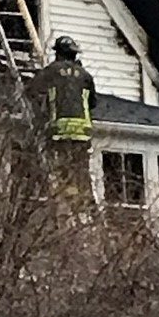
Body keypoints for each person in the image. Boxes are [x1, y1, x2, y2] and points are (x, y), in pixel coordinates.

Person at [33, 35, 97, 203]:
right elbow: (92, 104)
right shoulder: (86, 76)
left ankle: (66, 198)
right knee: (81, 172)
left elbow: (31, 91)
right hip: (82, 133)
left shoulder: (51, 72)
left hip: (59, 130)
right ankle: (85, 202)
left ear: (58, 53)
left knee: (61, 170)